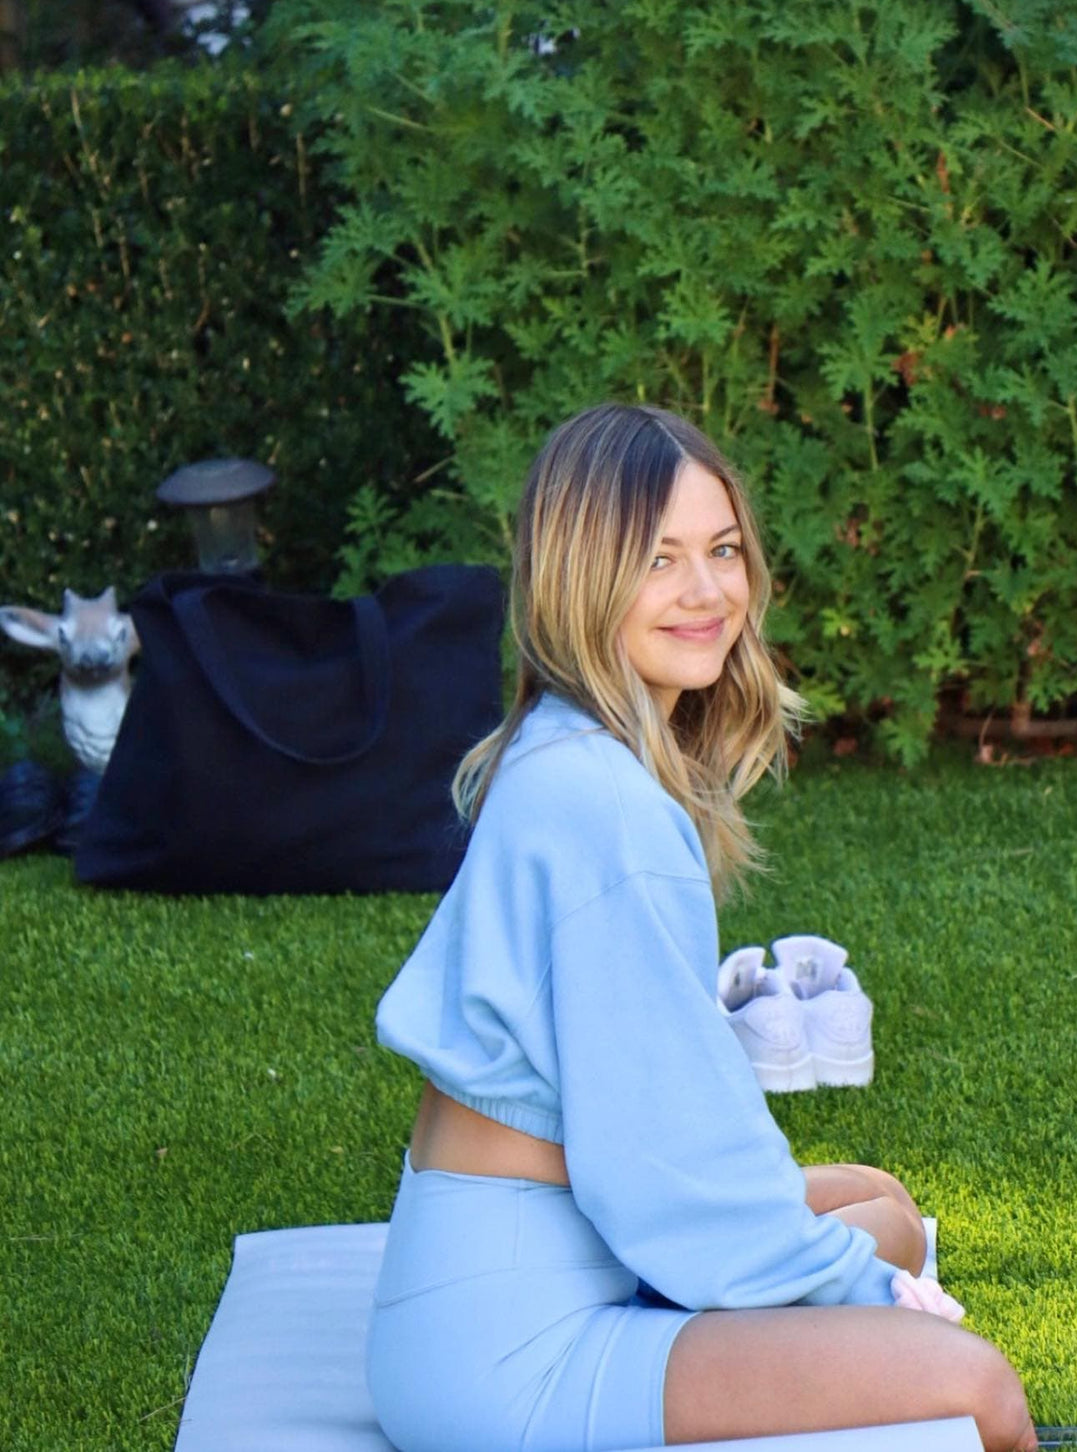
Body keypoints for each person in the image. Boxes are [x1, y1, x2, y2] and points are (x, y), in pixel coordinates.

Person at [366, 403, 1038, 1452]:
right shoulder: (606, 810)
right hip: (509, 1351)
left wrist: (859, 1269)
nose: (709, 591)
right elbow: (659, 1179)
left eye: (722, 551)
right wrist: (864, 1296)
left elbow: (653, 1151)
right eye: (658, 559)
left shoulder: (567, 746)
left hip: (526, 1262)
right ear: (582, 578)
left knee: (886, 1207)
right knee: (977, 1388)